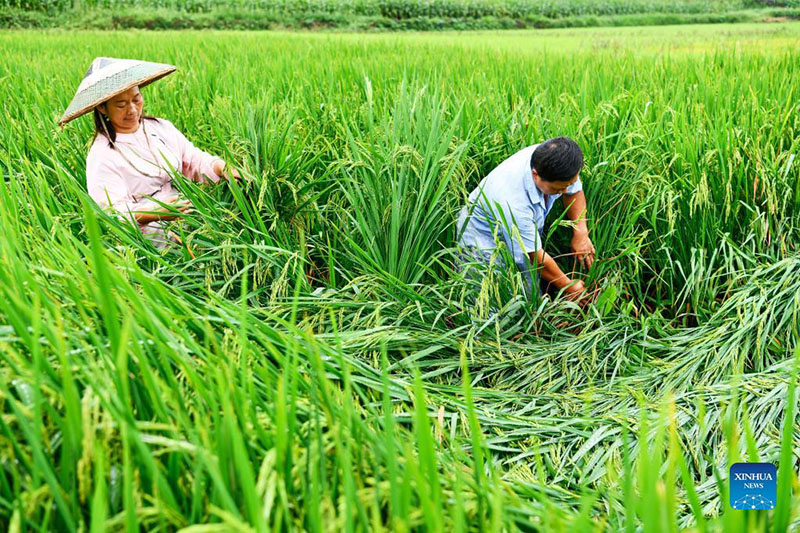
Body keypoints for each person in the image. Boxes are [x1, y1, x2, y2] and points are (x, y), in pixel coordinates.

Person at [59, 57, 241, 248]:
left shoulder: (160, 128)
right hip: (148, 243)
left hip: (188, 223)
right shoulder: (102, 156)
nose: (132, 110)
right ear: (102, 107)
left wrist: (221, 167)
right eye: (121, 105)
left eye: (136, 100)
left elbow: (192, 159)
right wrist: (155, 214)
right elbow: (113, 213)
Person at [457, 137, 595, 303]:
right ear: (535, 174)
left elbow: (574, 192)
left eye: (569, 184)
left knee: (529, 290)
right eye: (558, 189)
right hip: (483, 234)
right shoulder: (514, 202)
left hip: (518, 227)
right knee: (491, 299)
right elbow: (534, 256)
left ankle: (532, 316)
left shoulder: (557, 160)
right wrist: (568, 286)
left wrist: (581, 232)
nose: (565, 191)